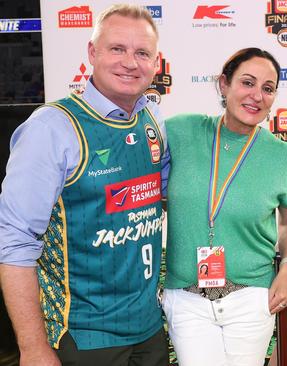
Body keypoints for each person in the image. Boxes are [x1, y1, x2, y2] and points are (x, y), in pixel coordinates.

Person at [0, 4, 168, 366]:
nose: (130, 62)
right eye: (117, 49)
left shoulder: (152, 119)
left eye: (142, 53)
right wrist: (32, 348)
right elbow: (14, 244)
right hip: (83, 337)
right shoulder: (50, 129)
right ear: (93, 53)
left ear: (156, 63)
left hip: (149, 331)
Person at [161, 47, 287, 366]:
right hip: (187, 297)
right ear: (224, 85)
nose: (256, 96)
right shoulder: (182, 131)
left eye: (267, 88)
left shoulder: (282, 157)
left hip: (251, 296)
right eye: (247, 83)